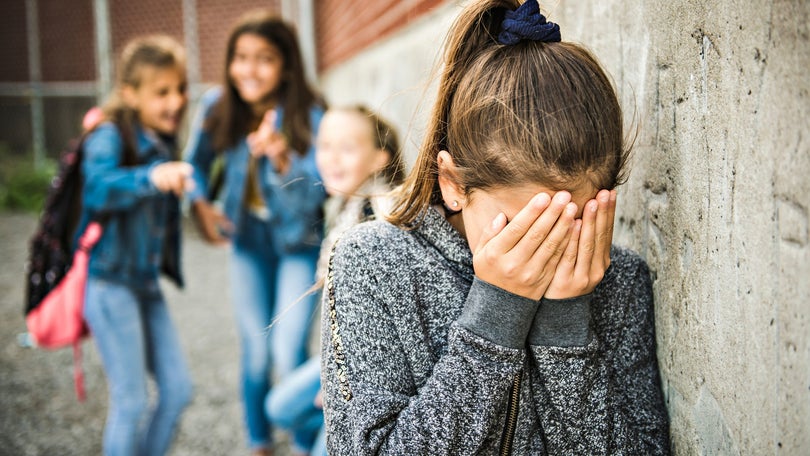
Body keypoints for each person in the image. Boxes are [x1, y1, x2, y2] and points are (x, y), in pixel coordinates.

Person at [320, 0, 671, 454]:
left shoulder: (618, 280)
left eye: (571, 222)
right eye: (524, 228)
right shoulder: (372, 264)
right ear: (453, 185)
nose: (546, 250)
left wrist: (566, 325)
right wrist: (495, 316)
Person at [184, 10, 326, 455]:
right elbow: (195, 166)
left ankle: (307, 442)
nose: (249, 69)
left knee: (288, 350)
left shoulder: (311, 113)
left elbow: (317, 197)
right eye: (241, 57)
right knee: (257, 350)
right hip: (249, 243)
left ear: (286, 65)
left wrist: (283, 159)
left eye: (264, 58)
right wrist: (200, 206)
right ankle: (259, 440)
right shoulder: (217, 107)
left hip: (299, 244)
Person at [265, 105, 405, 456]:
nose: (332, 158)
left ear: (378, 159)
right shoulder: (342, 207)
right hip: (341, 355)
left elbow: (383, 318)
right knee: (279, 408)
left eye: (347, 148)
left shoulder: (380, 214)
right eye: (324, 146)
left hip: (371, 367)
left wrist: (339, 385)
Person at [80, 35, 194, 456]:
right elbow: (96, 189)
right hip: (109, 284)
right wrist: (150, 177)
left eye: (180, 89)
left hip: (144, 284)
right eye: (161, 92)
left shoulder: (163, 141)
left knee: (179, 390)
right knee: (130, 401)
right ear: (130, 94)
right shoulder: (109, 135)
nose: (176, 101)